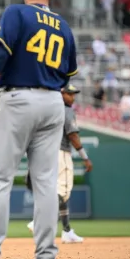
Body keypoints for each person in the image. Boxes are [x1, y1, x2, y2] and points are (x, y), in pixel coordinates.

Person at [0, 0, 78, 259]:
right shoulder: (63, 26)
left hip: (18, 98)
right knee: (45, 183)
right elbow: (68, 74)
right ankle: (46, 253)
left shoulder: (16, 12)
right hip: (54, 102)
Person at [25, 83, 93, 244]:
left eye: (73, 94)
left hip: (46, 152)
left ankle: (67, 230)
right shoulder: (66, 110)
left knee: (56, 192)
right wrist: (85, 157)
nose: (73, 97)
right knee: (63, 191)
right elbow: (73, 135)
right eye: (69, 94)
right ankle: (39, 222)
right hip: (61, 152)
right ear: (61, 93)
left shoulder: (47, 108)